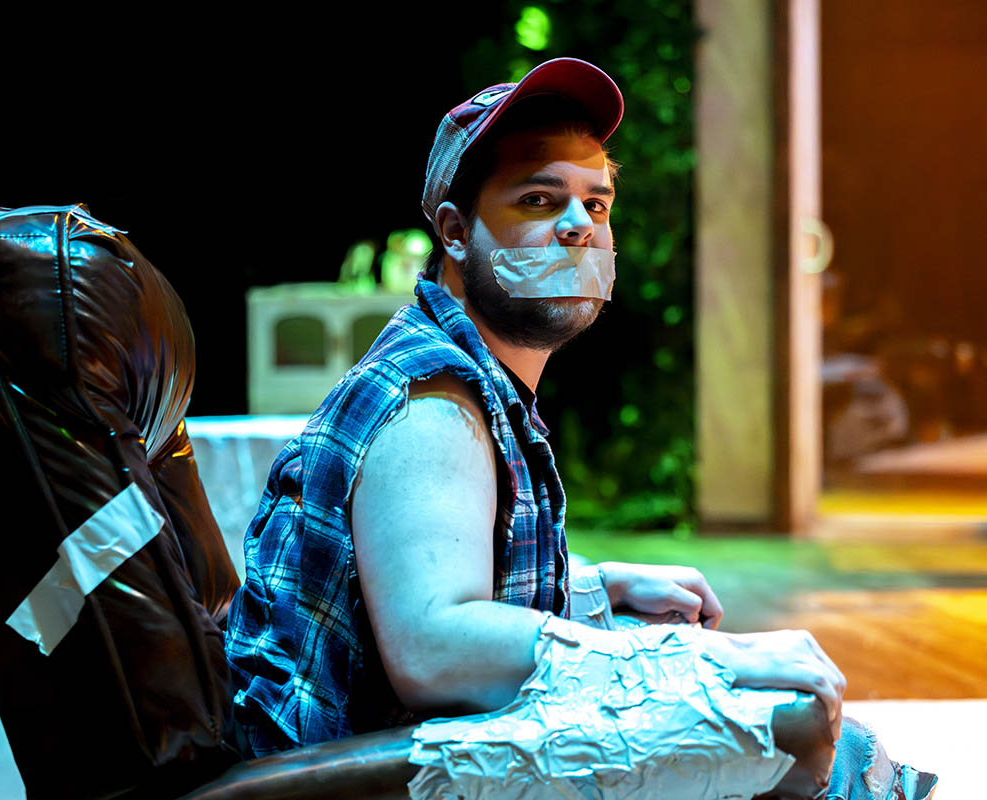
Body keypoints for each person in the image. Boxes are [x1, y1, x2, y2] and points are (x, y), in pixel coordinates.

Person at [224, 58, 934, 798]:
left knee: (831, 747)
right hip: (360, 776)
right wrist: (700, 664)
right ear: (456, 232)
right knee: (786, 739)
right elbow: (433, 647)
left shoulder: (478, 377)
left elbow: (454, 585)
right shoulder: (431, 401)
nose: (578, 227)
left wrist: (597, 589)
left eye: (597, 205)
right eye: (539, 198)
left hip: (416, 747)